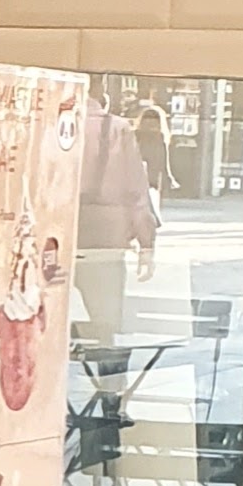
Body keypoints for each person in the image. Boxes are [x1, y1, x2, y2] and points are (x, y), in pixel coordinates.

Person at [76, 90, 158, 365]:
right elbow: (136, 191)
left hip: (53, 242)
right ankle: (111, 386)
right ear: (103, 95)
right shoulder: (117, 129)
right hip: (106, 244)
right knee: (106, 327)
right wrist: (146, 245)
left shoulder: (47, 124)